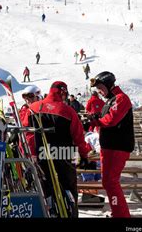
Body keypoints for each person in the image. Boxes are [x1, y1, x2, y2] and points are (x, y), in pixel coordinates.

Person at [29, 81, 92, 217]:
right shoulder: (67, 110)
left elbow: (28, 134)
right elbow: (78, 136)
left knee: (46, 188)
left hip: (42, 153)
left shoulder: (33, 108)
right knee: (69, 188)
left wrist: (31, 153)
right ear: (62, 92)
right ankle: (71, 214)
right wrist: (84, 155)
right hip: (66, 153)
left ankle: (49, 212)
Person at [89, 71, 135, 218]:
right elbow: (105, 118)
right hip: (109, 146)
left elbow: (111, 120)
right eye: (98, 89)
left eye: (101, 87)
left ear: (109, 85)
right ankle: (117, 211)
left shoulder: (121, 99)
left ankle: (121, 214)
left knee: (111, 182)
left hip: (118, 147)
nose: (99, 91)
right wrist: (95, 118)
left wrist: (95, 121)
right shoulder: (110, 100)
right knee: (108, 182)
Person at [18, 85, 42, 156]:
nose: (28, 100)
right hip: (24, 146)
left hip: (36, 148)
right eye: (26, 98)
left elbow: (26, 123)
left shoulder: (41, 110)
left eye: (31, 97)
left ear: (38, 97)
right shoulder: (24, 110)